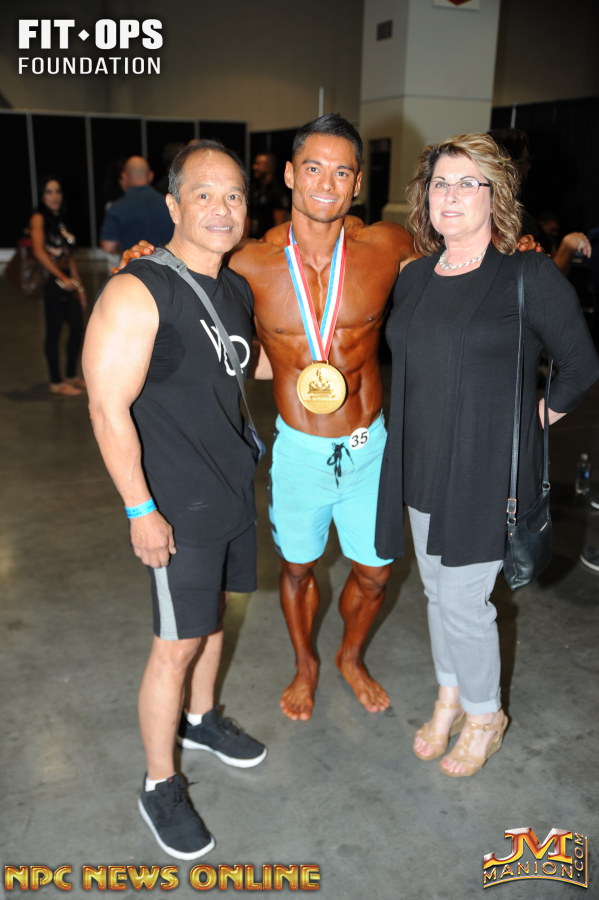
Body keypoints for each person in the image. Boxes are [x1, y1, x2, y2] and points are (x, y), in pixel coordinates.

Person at [119, 114, 416, 723]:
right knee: (298, 569)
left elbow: (458, 269)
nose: (326, 183)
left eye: (342, 172)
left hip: (370, 447)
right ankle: (305, 665)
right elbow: (182, 275)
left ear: (358, 182)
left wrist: (515, 252)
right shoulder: (248, 261)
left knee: (376, 574)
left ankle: (350, 657)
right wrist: (144, 257)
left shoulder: (388, 246)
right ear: (288, 175)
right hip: (300, 450)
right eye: (313, 168)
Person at [375, 133, 599, 777]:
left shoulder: (526, 274)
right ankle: (449, 696)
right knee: (435, 595)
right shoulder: (415, 276)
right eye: (440, 183)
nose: (450, 195)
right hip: (419, 463)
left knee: (464, 604)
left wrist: (532, 421)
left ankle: (484, 715)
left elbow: (581, 366)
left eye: (467, 183)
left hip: (481, 470)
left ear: (495, 194)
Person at [82, 140, 267, 860]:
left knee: (215, 616)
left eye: (234, 196)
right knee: (177, 642)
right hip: (173, 504)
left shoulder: (235, 288)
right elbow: (106, 409)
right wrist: (140, 510)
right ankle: (160, 782)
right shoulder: (137, 291)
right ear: (172, 205)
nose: (222, 209)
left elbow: (232, 370)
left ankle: (202, 717)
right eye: (204, 195)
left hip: (230, 488)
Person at [29, 176, 87, 396]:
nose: (55, 196)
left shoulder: (61, 219)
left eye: (58, 191)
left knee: (76, 328)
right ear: (42, 196)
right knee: (54, 332)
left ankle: (71, 375)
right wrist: (61, 277)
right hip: (52, 282)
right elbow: (39, 251)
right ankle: (55, 380)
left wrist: (79, 285)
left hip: (67, 279)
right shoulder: (38, 218)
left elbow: (68, 255)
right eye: (49, 192)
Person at [99, 155, 174, 256]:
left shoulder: (116, 208)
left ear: (124, 176)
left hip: (132, 263)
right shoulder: (169, 205)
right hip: (166, 263)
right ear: (150, 176)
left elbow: (108, 247)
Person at [248, 152, 290, 238]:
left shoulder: (277, 192)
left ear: (268, 167)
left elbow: (279, 224)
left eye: (258, 164)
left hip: (269, 240)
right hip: (253, 239)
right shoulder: (254, 189)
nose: (254, 167)